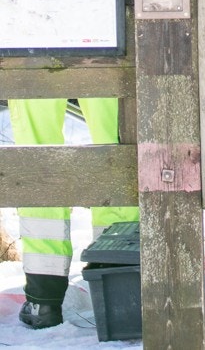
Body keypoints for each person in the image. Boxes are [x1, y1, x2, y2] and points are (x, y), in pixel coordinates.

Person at [8, 97, 139, 331]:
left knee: (36, 157)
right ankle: (118, 289)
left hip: (31, 64)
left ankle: (43, 301)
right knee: (116, 146)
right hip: (105, 63)